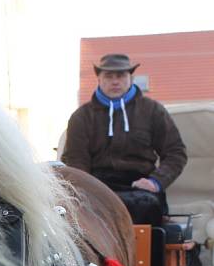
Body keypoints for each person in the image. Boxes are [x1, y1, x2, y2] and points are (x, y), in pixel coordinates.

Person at [61, 53, 187, 224]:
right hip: (97, 186)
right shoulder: (81, 117)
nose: (115, 81)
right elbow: (76, 160)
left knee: (146, 206)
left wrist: (155, 181)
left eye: (120, 75)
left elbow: (176, 153)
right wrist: (87, 188)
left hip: (140, 186)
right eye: (108, 76)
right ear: (99, 78)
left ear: (131, 78)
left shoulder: (152, 111)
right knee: (77, 213)